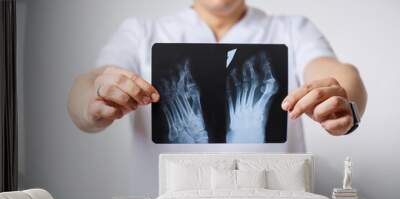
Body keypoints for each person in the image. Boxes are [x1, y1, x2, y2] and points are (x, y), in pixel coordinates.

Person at [68, 0, 367, 153]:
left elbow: (336, 72)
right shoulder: (141, 32)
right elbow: (89, 84)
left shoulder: (293, 29)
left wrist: (341, 98)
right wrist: (94, 100)